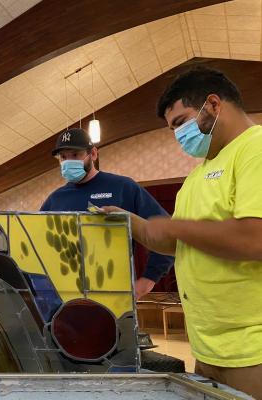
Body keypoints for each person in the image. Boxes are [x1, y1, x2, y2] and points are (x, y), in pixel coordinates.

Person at [104, 67, 262, 398]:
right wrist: (128, 220)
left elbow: (254, 239)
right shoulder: (196, 176)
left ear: (214, 105)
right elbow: (177, 243)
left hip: (253, 349)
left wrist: (175, 226)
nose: (178, 135)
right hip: (206, 347)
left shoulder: (255, 149)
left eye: (180, 122)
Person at [40, 128, 174, 299]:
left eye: (75, 154)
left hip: (115, 294)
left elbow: (165, 231)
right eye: (63, 157)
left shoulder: (123, 187)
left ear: (93, 154)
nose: (68, 162)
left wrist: (149, 279)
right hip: (65, 296)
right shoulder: (55, 199)